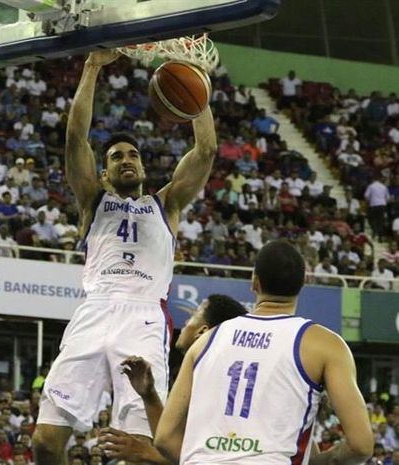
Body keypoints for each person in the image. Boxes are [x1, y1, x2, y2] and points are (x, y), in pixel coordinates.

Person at [33, 49, 217, 465]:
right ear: (103, 172)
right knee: (44, 443)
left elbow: (205, 152)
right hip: (94, 311)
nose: (126, 159)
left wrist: (199, 89)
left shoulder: (166, 205)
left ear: (144, 168)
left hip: (143, 318)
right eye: (116, 156)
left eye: (132, 154)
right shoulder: (92, 202)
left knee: (135, 449)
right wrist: (91, 67)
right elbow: (75, 138)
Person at [154, 240, 373, 465]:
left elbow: (164, 438)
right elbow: (361, 445)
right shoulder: (325, 345)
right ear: (304, 283)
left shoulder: (205, 342)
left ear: (254, 283)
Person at [99, 295, 247, 463]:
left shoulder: (219, 385)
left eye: (194, 315)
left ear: (203, 332)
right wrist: (149, 396)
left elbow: (206, 458)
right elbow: (169, 441)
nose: (185, 322)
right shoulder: (206, 375)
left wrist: (145, 452)